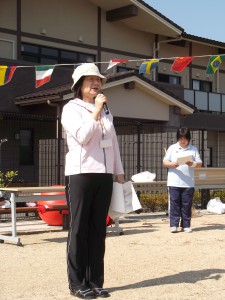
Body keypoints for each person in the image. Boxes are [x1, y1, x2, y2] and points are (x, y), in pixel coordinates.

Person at [61, 63, 125, 299]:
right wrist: (96, 111)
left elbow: (114, 143)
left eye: (99, 80)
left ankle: (95, 281)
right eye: (91, 80)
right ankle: (77, 283)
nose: (96, 84)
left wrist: (118, 171)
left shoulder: (107, 111)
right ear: (79, 85)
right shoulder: (71, 108)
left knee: (98, 228)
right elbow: (82, 137)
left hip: (104, 175)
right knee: (79, 230)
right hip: (80, 174)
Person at [163, 127, 202, 233]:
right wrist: (172, 164)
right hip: (174, 181)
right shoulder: (172, 148)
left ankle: (186, 225)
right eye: (180, 138)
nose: (182, 140)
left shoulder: (193, 149)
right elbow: (165, 162)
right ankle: (174, 225)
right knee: (175, 203)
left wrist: (192, 163)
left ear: (188, 138)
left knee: (187, 204)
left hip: (188, 182)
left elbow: (199, 164)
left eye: (185, 138)